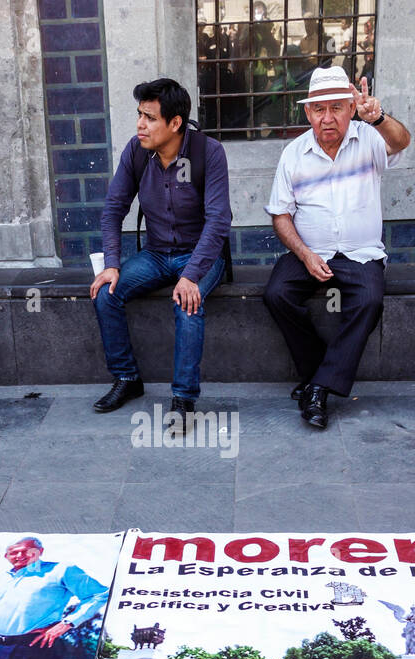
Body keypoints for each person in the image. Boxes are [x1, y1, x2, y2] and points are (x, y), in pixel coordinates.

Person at [262, 66, 410, 429]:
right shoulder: (294, 154)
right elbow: (280, 216)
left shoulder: (368, 138)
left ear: (351, 108)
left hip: (360, 253)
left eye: (337, 108)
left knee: (369, 300)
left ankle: (318, 388)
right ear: (308, 112)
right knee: (277, 293)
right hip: (311, 251)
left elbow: (402, 141)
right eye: (319, 109)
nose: (328, 118)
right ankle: (320, 376)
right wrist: (305, 254)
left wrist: (378, 117)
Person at [89, 77, 232, 430]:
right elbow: (112, 210)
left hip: (200, 254)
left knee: (187, 302)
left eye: (150, 118)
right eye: (140, 114)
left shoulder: (207, 152)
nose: (140, 124)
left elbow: (218, 220)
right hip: (155, 254)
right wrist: (111, 264)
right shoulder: (137, 151)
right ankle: (127, 379)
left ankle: (183, 399)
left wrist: (191, 275)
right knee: (106, 294)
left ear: (175, 123)